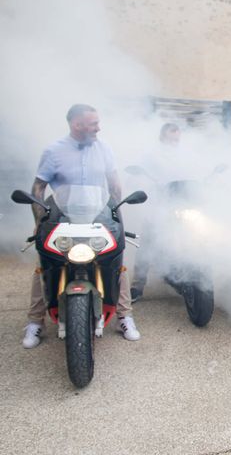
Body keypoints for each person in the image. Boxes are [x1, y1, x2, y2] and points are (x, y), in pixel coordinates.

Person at [22, 104, 141, 348]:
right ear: (77, 125)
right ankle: (35, 322)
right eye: (94, 123)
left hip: (98, 217)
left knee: (117, 264)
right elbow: (38, 189)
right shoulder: (54, 151)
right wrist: (39, 224)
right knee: (43, 265)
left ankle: (124, 316)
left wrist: (117, 219)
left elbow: (115, 186)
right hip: (62, 218)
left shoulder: (104, 149)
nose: (99, 127)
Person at [130, 122, 182, 302]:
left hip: (179, 204)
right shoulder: (152, 155)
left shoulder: (183, 156)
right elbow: (140, 175)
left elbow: (193, 173)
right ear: (163, 136)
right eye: (171, 138)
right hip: (157, 204)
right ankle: (137, 286)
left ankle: (185, 279)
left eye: (177, 139)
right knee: (148, 243)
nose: (175, 141)